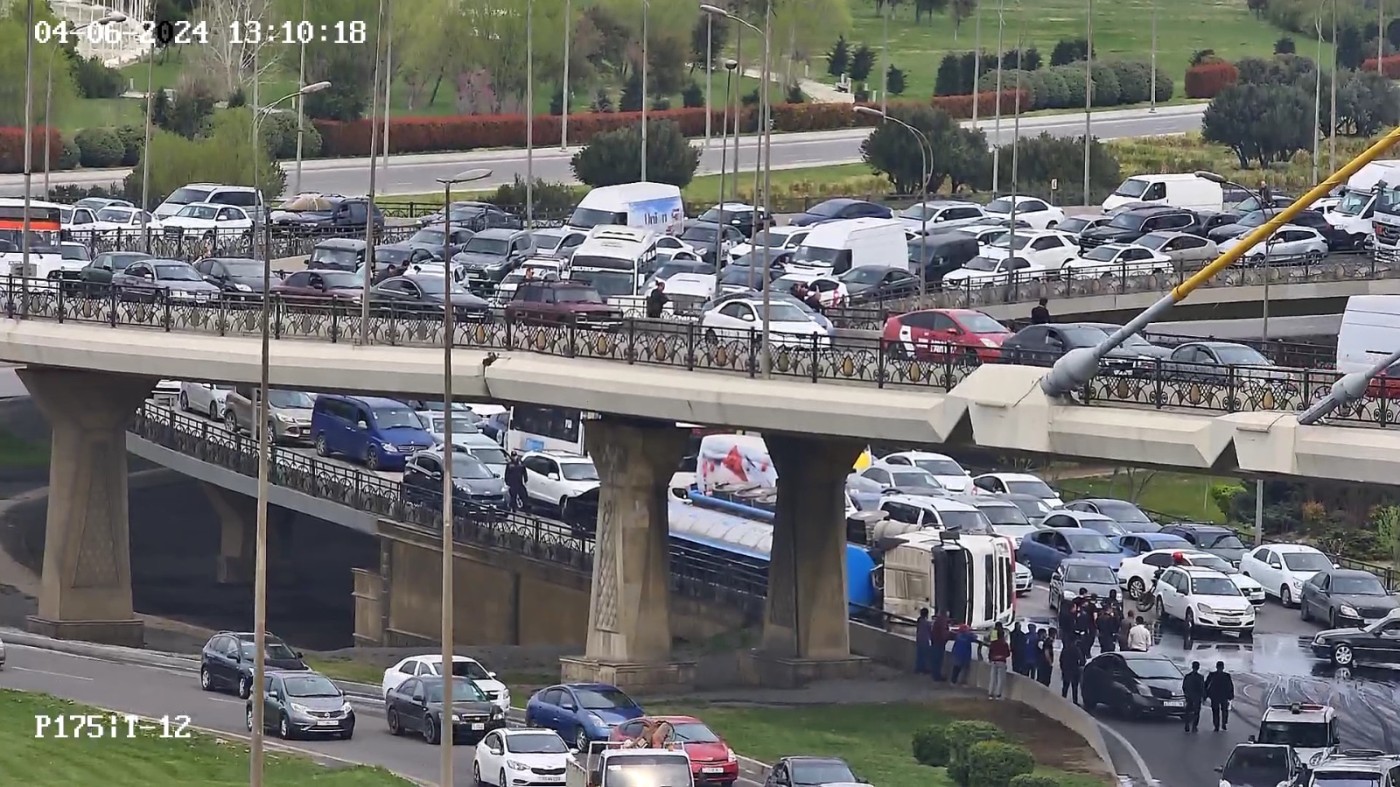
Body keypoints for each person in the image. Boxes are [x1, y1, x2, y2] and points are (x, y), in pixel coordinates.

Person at [1204, 661, 1235, 732]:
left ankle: (1217, 725)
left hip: (1215, 696)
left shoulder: (1212, 675)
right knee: (1223, 711)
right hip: (1222, 696)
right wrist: (1231, 695)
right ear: (1223, 667)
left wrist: (1206, 695)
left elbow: (1206, 685)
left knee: (1216, 711)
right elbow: (1230, 686)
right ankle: (1222, 723)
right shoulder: (1226, 676)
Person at [987, 622, 1011, 699]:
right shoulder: (1004, 643)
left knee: (992, 678)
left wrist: (990, 658)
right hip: (1001, 661)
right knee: (1000, 679)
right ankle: (998, 694)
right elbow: (1008, 654)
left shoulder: (994, 641)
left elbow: (991, 649)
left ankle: (990, 694)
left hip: (994, 660)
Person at [1059, 636, 1084, 704]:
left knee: (1065, 686)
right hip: (1074, 670)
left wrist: (1062, 668)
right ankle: (1075, 701)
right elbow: (1081, 660)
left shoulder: (1065, 649)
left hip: (1066, 670)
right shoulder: (1077, 650)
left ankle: (1063, 699)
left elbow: (1061, 660)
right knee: (1074, 688)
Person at [1182, 661, 1206, 732]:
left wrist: (1186, 694)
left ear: (1192, 667)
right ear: (1198, 667)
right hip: (1197, 697)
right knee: (1196, 712)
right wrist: (1203, 696)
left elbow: (1184, 686)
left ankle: (1187, 724)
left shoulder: (1187, 676)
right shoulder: (1200, 677)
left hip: (1189, 696)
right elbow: (1202, 688)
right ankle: (1194, 726)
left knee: (1188, 711)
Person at [930, 611, 951, 681]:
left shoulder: (937, 621)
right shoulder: (943, 622)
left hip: (935, 642)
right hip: (940, 643)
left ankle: (934, 675)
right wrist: (948, 637)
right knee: (938, 660)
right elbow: (944, 633)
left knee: (935, 660)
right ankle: (937, 676)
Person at [914, 608, 933, 675]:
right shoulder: (927, 623)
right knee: (924, 655)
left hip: (919, 640)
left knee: (919, 655)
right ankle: (922, 669)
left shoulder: (919, 620)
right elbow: (930, 632)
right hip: (924, 640)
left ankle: (918, 669)